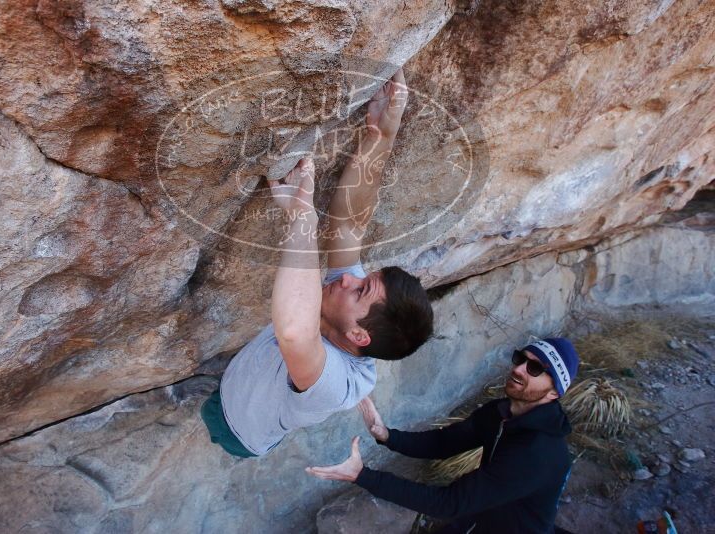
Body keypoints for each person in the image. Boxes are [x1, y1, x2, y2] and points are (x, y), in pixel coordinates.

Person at [201, 68, 435, 458]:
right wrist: (381, 134)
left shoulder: (335, 386)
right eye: (362, 279)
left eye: (360, 290)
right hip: (234, 384)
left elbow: (295, 333)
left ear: (360, 337)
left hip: (240, 434)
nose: (347, 280)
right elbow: (348, 228)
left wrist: (301, 216)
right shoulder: (356, 312)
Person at [306, 338, 580, 534]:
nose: (519, 369)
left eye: (535, 369)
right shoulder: (501, 413)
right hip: (483, 516)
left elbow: (448, 503)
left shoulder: (536, 453)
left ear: (554, 392)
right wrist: (387, 435)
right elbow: (443, 443)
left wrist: (362, 475)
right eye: (521, 359)